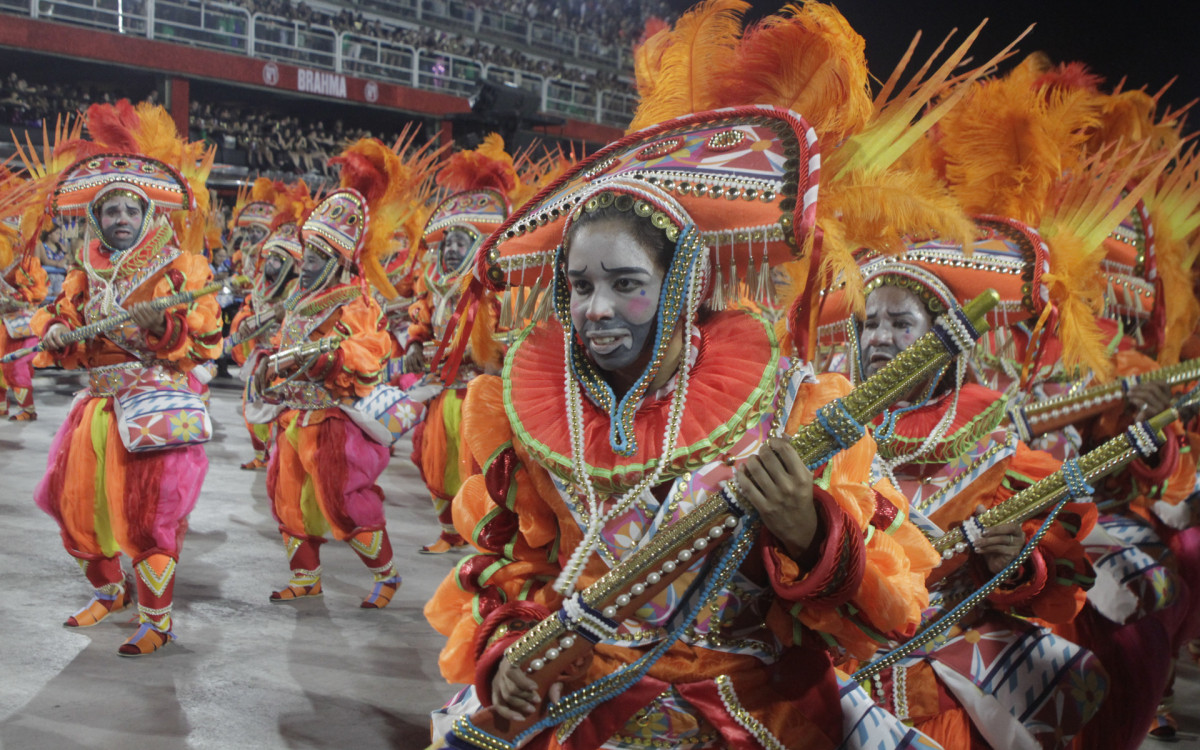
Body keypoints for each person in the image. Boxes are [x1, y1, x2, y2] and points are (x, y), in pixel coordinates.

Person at [425, 108, 943, 749]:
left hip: (755, 712)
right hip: (585, 697)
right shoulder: (527, 414)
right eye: (580, 285)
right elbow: (515, 561)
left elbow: (893, 596)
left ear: (684, 285)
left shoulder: (790, 408)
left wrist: (811, 535)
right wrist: (513, 648)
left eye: (626, 283)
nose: (598, 308)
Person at [819, 250, 1104, 749]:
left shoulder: (992, 449)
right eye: (868, 322)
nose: (880, 337)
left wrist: (1015, 564)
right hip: (834, 688)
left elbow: (1056, 578)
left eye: (901, 323)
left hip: (943, 694)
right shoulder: (822, 427)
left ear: (945, 339)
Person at [31, 148, 222, 656]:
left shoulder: (179, 270)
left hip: (148, 407)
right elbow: (62, 318)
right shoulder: (86, 269)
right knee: (74, 509)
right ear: (96, 216)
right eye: (111, 210)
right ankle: (110, 593)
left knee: (144, 517)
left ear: (147, 216)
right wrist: (55, 333)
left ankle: (157, 621)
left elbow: (205, 337)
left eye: (130, 210)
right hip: (95, 408)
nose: (120, 219)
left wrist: (162, 326)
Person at [254, 139, 402, 608]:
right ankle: (306, 578)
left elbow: (368, 351)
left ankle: (387, 575)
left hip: (333, 420)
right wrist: (268, 372)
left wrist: (322, 359)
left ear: (338, 260)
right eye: (307, 254)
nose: (306, 263)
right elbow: (281, 351)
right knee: (286, 497)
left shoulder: (354, 300)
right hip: (293, 417)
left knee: (342, 500)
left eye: (316, 257)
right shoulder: (300, 300)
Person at [405, 134, 511, 554]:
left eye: (459, 243)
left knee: (476, 466)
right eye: (447, 243)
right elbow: (421, 325)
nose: (450, 249)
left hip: (476, 393)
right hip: (440, 392)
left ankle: (481, 533)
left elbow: (504, 342)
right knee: (436, 465)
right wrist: (415, 344)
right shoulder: (433, 287)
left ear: (475, 249)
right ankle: (448, 531)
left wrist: (483, 355)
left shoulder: (494, 290)